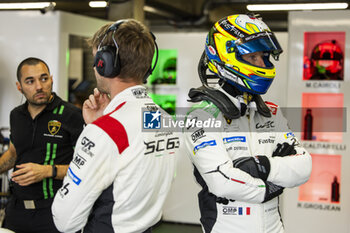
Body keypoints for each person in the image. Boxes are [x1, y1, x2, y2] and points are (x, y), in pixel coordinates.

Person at [184, 14, 312, 233]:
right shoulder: (202, 116)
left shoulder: (271, 112)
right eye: (254, 57)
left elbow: (304, 166)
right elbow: (222, 182)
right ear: (227, 55)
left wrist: (263, 166)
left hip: (275, 227)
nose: (263, 64)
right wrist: (273, 184)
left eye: (264, 56)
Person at [52, 19, 177, 233]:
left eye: (96, 60)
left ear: (106, 63)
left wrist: (97, 129)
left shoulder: (105, 132)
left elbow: (65, 220)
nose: (94, 67)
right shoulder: (165, 119)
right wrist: (99, 123)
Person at [0, 57, 85, 233]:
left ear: (51, 79)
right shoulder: (16, 115)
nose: (39, 86)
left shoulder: (72, 115)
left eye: (44, 78)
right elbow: (14, 154)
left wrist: (47, 171)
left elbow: (86, 168)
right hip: (16, 210)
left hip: (54, 211)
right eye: (30, 81)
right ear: (19, 87)